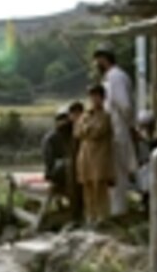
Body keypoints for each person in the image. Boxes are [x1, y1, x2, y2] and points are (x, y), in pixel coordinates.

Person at [93, 45, 137, 216]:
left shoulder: (116, 77)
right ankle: (113, 209)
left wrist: (129, 125)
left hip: (118, 129)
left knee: (118, 172)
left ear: (103, 59)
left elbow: (124, 104)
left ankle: (119, 211)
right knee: (112, 171)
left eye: (98, 61)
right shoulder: (109, 77)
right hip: (113, 129)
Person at [74, 85, 114, 225]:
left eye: (97, 96)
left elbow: (98, 131)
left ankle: (103, 216)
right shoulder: (85, 115)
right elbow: (77, 132)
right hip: (85, 155)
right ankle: (90, 216)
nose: (94, 99)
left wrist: (86, 128)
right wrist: (86, 128)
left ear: (103, 98)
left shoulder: (106, 116)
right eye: (92, 96)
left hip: (100, 155)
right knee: (87, 186)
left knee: (100, 186)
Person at [41, 108, 74, 202]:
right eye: (62, 119)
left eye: (66, 119)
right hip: (56, 172)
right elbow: (49, 161)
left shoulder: (72, 136)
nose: (64, 122)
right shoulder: (50, 138)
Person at [134, 110, 157, 209]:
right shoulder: (138, 139)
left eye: (149, 125)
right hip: (142, 165)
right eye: (144, 125)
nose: (147, 128)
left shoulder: (156, 139)